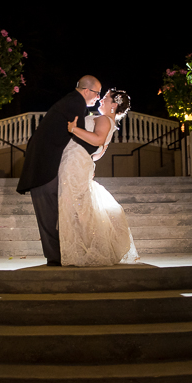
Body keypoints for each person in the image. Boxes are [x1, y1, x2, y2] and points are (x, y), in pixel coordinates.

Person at [16, 75, 103, 266]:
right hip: (43, 167)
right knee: (48, 215)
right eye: (97, 93)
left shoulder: (72, 101)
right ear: (87, 90)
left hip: (47, 165)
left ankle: (60, 255)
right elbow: (79, 136)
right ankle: (56, 257)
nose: (98, 97)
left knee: (54, 214)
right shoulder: (75, 102)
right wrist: (94, 153)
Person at [58, 90, 139, 266]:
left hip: (75, 161)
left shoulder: (103, 119)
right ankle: (85, 246)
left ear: (114, 105)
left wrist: (74, 129)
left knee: (73, 203)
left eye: (105, 99)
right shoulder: (110, 123)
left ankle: (82, 248)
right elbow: (99, 152)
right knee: (78, 204)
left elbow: (97, 140)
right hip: (81, 161)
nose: (101, 101)